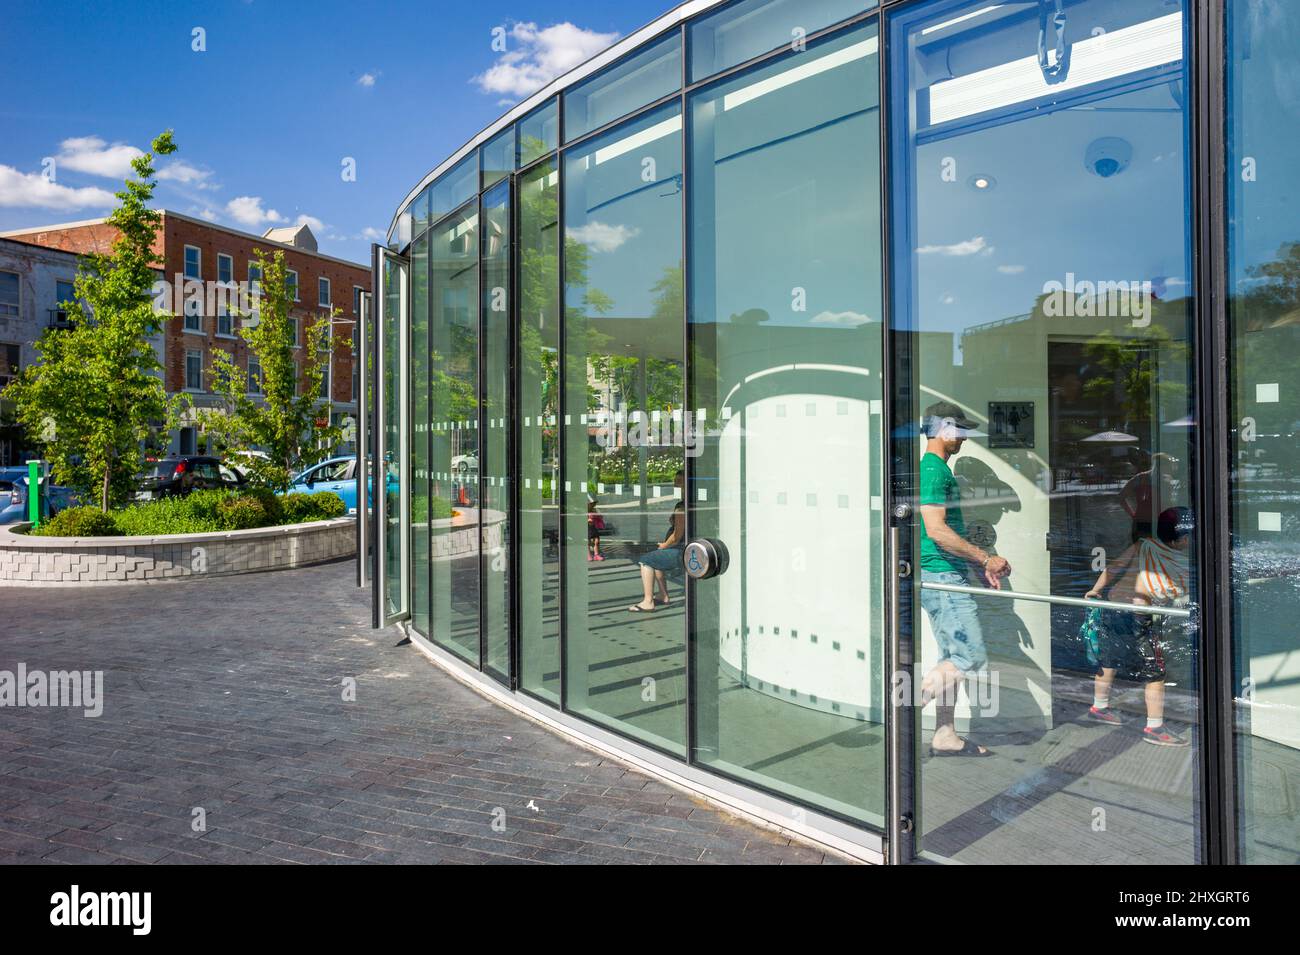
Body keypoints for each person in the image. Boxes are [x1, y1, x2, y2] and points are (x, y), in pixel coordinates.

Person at [917, 402, 1010, 757]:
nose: (965, 439)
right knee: (968, 655)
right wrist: (987, 557)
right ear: (945, 429)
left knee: (950, 657)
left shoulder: (936, 470)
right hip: (942, 578)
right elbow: (937, 531)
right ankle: (902, 716)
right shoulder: (933, 471)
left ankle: (945, 734)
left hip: (946, 574)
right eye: (962, 431)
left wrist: (976, 568)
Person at [1083, 506, 1193, 747]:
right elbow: (1173, 592)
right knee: (1155, 672)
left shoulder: (1144, 545)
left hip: (1113, 607)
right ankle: (1154, 727)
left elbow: (1113, 567)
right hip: (1139, 616)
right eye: (1188, 538)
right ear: (1182, 540)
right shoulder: (1180, 562)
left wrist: (1095, 590)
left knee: (1108, 660)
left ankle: (1099, 708)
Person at [628, 469, 685, 613]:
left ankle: (648, 601)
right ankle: (663, 595)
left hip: (681, 551)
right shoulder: (687, 502)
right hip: (685, 549)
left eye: (679, 481)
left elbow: (677, 535)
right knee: (657, 560)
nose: (675, 484)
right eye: (675, 481)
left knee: (646, 560)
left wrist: (664, 546)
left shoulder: (682, 507)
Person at [1120, 452, 1178, 542]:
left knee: (1141, 551)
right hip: (1158, 523)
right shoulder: (1166, 481)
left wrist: (1133, 515)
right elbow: (1169, 505)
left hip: (1140, 522)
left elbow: (1121, 497)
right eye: (1169, 465)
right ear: (1162, 466)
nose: (1171, 468)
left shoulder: (1139, 478)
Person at [587, 494, 606, 562]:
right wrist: (588, 520)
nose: (592, 505)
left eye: (593, 504)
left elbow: (600, 517)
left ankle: (596, 554)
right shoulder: (584, 511)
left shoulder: (594, 510)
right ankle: (588, 554)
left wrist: (598, 516)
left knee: (596, 541)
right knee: (588, 541)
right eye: (590, 504)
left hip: (594, 527)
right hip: (587, 527)